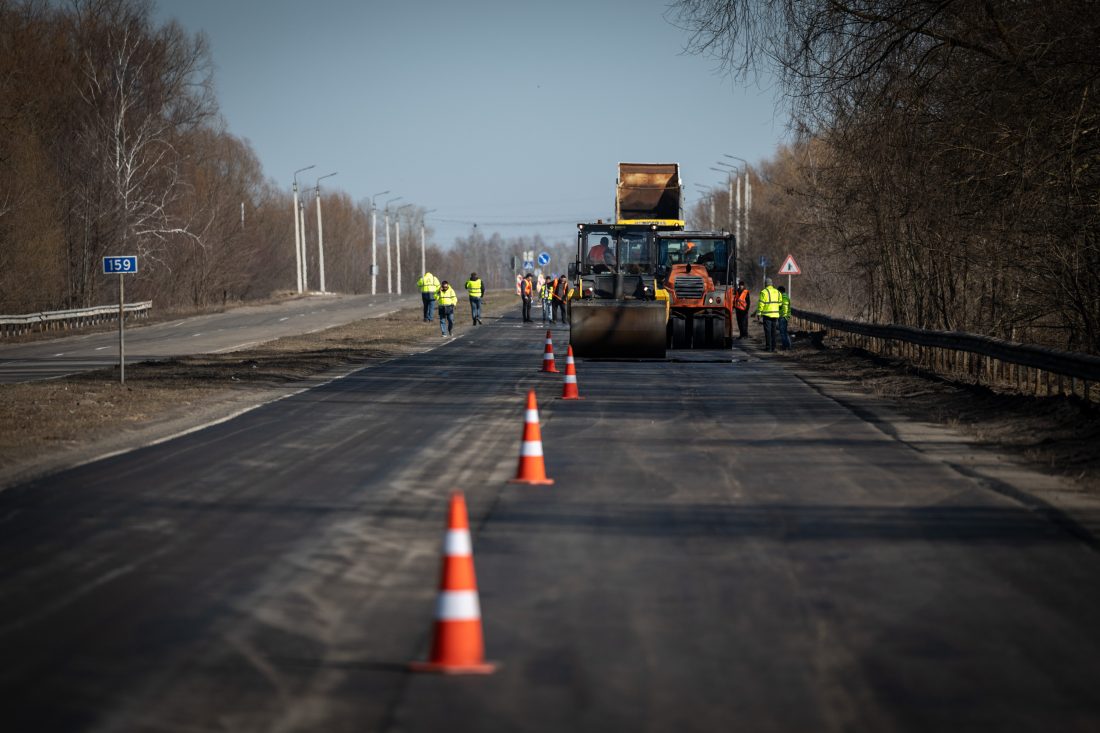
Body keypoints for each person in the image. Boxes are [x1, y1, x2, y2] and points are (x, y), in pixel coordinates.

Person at [756, 277, 782, 352]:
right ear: (771, 284)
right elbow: (780, 303)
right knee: (773, 332)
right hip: (775, 315)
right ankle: (773, 347)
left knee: (768, 332)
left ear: (765, 284)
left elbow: (761, 304)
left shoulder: (764, 292)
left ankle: (768, 347)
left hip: (767, 315)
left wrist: (759, 313)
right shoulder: (777, 292)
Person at [778, 285, 792, 350]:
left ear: (780, 291)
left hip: (782, 317)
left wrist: (781, 315)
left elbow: (783, 307)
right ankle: (789, 346)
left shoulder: (782, 297)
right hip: (785, 317)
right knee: (785, 332)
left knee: (782, 333)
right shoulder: (786, 297)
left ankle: (785, 346)